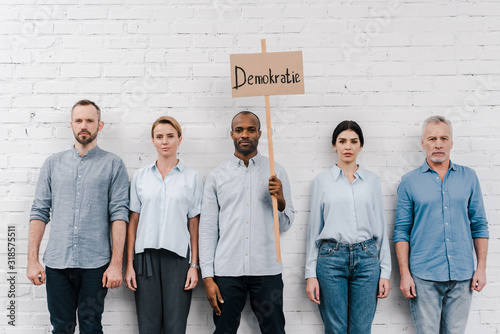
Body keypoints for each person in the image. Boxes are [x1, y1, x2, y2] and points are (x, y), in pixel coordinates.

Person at [27, 99, 129, 334]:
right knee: (61, 328)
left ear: (99, 125)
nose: (84, 125)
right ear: (71, 125)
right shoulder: (52, 164)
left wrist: (116, 264)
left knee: (91, 328)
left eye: (90, 121)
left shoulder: (113, 165)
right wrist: (32, 260)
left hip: (95, 265)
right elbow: (39, 212)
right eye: (79, 120)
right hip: (57, 263)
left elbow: (119, 215)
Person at [199, 111, 295, 334]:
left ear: (259, 134)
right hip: (227, 271)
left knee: (275, 330)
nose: (245, 134)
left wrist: (280, 201)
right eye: (239, 129)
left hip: (267, 270)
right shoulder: (216, 176)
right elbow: (207, 230)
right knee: (224, 330)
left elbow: (285, 225)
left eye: (251, 129)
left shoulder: (276, 172)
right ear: (231, 134)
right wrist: (208, 277)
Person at [394, 115, 489, 334]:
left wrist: (481, 268)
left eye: (444, 138)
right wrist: (405, 274)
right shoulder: (409, 181)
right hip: (423, 276)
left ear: (451, 143)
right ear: (423, 143)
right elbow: (401, 231)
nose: (438, 143)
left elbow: (480, 225)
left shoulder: (469, 177)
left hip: (462, 275)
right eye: (432, 138)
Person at [305, 120, 391, 334]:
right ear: (334, 145)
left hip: (367, 259)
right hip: (331, 259)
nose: (348, 146)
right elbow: (314, 229)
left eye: (354, 141)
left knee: (362, 329)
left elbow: (380, 226)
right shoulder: (322, 182)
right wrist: (310, 274)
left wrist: (385, 273)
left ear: (361, 145)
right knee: (336, 329)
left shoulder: (371, 181)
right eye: (342, 141)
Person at [124, 116, 202, 333]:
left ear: (179, 139)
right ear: (153, 141)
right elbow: (133, 223)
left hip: (178, 260)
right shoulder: (140, 177)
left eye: (170, 136)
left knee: (175, 327)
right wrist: (129, 265)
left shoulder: (192, 178)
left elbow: (194, 226)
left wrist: (194, 266)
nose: (164, 141)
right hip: (144, 259)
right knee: (148, 327)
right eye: (159, 136)